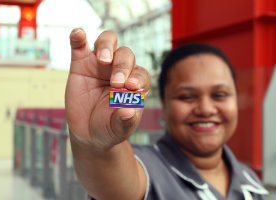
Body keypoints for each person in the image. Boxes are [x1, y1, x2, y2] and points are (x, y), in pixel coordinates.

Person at [65, 29, 269, 200]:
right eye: (187, 97)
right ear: (164, 103)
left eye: (219, 95)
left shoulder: (250, 182)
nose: (206, 109)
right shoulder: (149, 168)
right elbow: (113, 177)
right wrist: (96, 145)